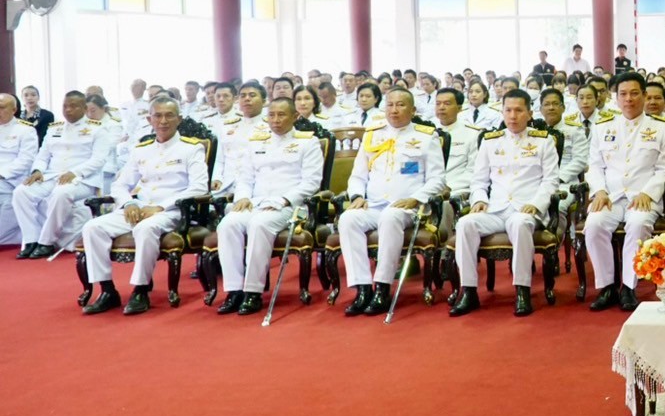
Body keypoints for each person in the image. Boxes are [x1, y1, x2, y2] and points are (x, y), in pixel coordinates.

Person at [80, 96, 209, 316]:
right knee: (92, 227)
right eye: (157, 115)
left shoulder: (191, 148)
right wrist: (129, 202)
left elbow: (199, 187)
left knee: (145, 228)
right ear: (149, 119)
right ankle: (107, 290)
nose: (163, 121)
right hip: (139, 208)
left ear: (179, 118)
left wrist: (161, 207)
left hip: (171, 211)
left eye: (169, 115)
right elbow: (120, 184)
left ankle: (140, 290)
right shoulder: (141, 149)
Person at [449, 90, 560, 317]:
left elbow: (551, 181)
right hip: (496, 209)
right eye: (508, 110)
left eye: (519, 110)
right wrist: (479, 200)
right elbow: (478, 181)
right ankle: (468, 290)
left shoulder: (543, 141)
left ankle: (522, 291)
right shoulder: (491, 141)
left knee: (519, 223)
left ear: (529, 113)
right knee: (465, 224)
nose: (513, 115)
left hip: (527, 209)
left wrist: (537, 204)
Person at [337, 88, 446, 317]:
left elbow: (438, 179)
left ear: (413, 109)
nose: (394, 110)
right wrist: (357, 196)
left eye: (401, 105)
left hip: (407, 208)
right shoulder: (372, 134)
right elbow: (357, 176)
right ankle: (363, 288)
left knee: (390, 216)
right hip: (374, 204)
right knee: (347, 220)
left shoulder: (426, 136)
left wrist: (415, 198)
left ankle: (383, 287)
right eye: (390, 105)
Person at [214, 97, 324, 316]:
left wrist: (284, 200)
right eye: (271, 115)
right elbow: (245, 178)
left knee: (259, 224)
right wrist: (242, 197)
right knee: (227, 225)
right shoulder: (256, 142)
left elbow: (311, 182)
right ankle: (234, 289)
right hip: (256, 203)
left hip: (289, 206)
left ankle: (253, 291)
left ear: (295, 116)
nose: (275, 120)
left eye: (282, 115)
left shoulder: (308, 142)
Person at [583, 73, 665, 312]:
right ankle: (606, 287)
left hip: (643, 198)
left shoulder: (662, 129)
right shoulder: (602, 127)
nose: (629, 99)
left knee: (637, 226)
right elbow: (594, 166)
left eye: (634, 93)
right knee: (593, 225)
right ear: (615, 98)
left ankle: (628, 286)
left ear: (645, 96)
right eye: (623, 94)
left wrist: (648, 192)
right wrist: (600, 191)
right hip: (611, 197)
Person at [15, 91, 114, 260]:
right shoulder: (55, 128)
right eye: (65, 106)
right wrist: (37, 170)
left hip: (83, 179)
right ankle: (31, 240)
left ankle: (46, 242)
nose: (68, 110)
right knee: (21, 192)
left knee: (61, 193)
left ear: (84, 108)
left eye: (73, 106)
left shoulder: (97, 129)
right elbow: (43, 155)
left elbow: (99, 159)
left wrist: (75, 172)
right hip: (52, 176)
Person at [0, 93, 42, 244]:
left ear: (14, 110)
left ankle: (20, 236)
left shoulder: (25, 130)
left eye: (2, 108)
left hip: (11, 182)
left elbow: (26, 160)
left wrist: (1, 174)